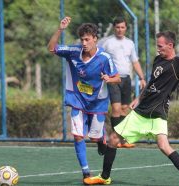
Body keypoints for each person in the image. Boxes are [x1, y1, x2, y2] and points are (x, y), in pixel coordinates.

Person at [84, 28, 179, 185]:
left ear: (170, 45)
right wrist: (138, 97)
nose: (158, 49)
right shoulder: (158, 59)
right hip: (141, 111)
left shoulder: (178, 65)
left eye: (160, 46)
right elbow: (151, 82)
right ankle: (104, 177)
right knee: (113, 139)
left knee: (164, 145)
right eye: (157, 46)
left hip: (157, 112)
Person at [47, 17, 121, 182]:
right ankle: (86, 172)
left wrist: (109, 79)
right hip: (77, 101)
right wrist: (60, 29)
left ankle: (100, 139)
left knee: (94, 137)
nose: (84, 42)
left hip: (98, 103)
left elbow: (118, 78)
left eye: (87, 39)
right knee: (78, 136)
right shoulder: (73, 51)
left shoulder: (104, 58)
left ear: (95, 38)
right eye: (82, 39)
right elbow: (51, 48)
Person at [98, 17, 146, 149]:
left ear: (126, 28)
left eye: (122, 27)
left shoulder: (130, 43)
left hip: (126, 79)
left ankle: (123, 139)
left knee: (125, 109)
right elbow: (99, 59)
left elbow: (135, 61)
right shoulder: (107, 43)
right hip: (113, 79)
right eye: (118, 27)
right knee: (116, 109)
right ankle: (115, 139)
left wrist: (142, 78)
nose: (120, 30)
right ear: (114, 28)